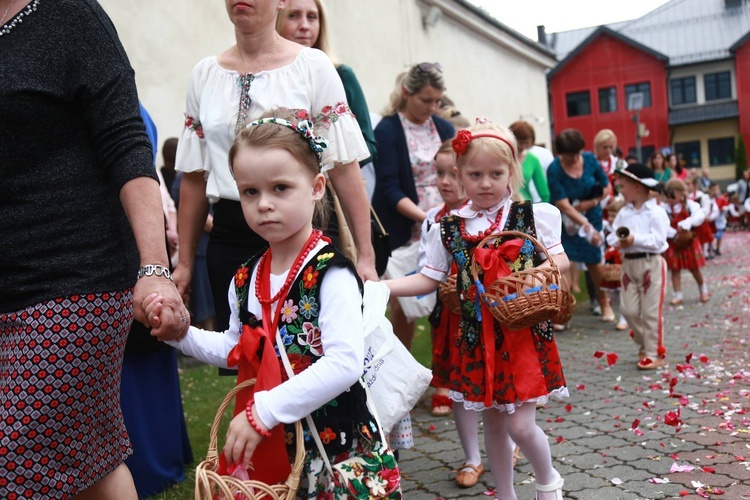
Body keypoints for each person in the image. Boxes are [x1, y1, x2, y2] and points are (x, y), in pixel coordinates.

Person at [145, 109, 401, 497]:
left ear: (316, 187)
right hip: (276, 445)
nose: (264, 203)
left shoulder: (330, 273)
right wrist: (183, 336)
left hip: (335, 449)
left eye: (280, 188)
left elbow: (343, 362)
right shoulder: (246, 277)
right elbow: (237, 348)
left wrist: (263, 410)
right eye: (251, 191)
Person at [0, 1, 189, 498]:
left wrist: (154, 267)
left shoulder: (69, 15)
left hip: (75, 278)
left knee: (16, 464)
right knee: (89, 459)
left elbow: (127, 142)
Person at [174, 0, 376, 359]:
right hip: (230, 237)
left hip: (302, 231)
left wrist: (366, 255)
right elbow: (194, 178)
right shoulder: (204, 74)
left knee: (310, 356)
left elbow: (345, 168)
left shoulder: (312, 66)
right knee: (246, 359)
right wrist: (186, 263)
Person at [385, 121, 569, 500]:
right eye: (475, 174)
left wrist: (534, 275)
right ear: (460, 176)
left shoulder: (530, 215)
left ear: (511, 172)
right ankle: (505, 494)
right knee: (495, 425)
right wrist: (379, 286)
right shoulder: (448, 226)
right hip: (476, 339)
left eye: (495, 174)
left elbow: (560, 260)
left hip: (521, 336)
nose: (485, 183)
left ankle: (548, 482)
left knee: (519, 426)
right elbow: (428, 278)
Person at [119, 106, 193, 498]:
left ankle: (151, 463)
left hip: (126, 237)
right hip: (134, 236)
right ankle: (160, 458)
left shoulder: (122, 108)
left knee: (145, 341)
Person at [276, 0, 378, 251]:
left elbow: (366, 141)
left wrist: (332, 163)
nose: (304, 26)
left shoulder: (340, 73)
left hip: (327, 193)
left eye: (312, 17)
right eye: (294, 16)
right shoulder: (272, 75)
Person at [372, 63, 455, 350]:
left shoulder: (444, 127)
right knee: (405, 306)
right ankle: (402, 374)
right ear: (407, 93)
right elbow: (389, 187)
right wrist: (427, 218)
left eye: (437, 101)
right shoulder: (388, 129)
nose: (433, 107)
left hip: (445, 221)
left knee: (445, 302)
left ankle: (443, 376)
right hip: (406, 225)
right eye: (426, 100)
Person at [606, 164, 669, 370]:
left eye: (623, 186)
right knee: (628, 310)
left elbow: (659, 241)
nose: (620, 190)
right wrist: (620, 240)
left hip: (651, 263)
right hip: (628, 265)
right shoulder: (624, 212)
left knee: (651, 311)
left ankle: (653, 352)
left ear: (638, 187)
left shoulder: (656, 212)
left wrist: (633, 239)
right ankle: (645, 342)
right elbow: (612, 236)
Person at [547, 129, 613, 323]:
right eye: (568, 155)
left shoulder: (590, 160)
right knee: (562, 265)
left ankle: (605, 303)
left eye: (576, 154)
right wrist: (584, 224)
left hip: (592, 216)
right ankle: (562, 311)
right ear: (560, 153)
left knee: (595, 263)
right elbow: (563, 204)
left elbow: (607, 186)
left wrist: (590, 204)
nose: (574, 158)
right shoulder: (554, 169)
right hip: (566, 222)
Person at [662, 179, 709, 305]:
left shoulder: (690, 205)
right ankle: (678, 294)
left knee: (694, 268)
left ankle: (703, 289)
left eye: (672, 196)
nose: (669, 199)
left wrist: (688, 222)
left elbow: (699, 216)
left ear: (681, 194)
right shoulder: (664, 208)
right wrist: (673, 233)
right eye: (667, 196)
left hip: (688, 241)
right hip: (673, 242)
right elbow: (662, 224)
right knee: (675, 269)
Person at [600, 197, 628, 331]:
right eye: (609, 215)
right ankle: (624, 311)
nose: (610, 218)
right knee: (612, 293)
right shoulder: (606, 228)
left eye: (614, 215)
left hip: (621, 264)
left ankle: (624, 317)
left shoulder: (624, 229)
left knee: (623, 291)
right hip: (610, 264)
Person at [510, 120, 550, 203]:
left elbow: (544, 193)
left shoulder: (533, 160)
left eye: (527, 143)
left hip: (524, 206)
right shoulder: (502, 157)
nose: (523, 146)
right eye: (520, 143)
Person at [708, 183, 728, 257]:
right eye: (713, 190)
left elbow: (726, 206)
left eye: (716, 189)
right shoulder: (709, 199)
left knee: (719, 235)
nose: (715, 191)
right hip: (712, 221)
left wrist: (724, 209)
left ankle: (718, 248)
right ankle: (711, 248)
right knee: (711, 235)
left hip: (719, 219)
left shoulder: (721, 199)